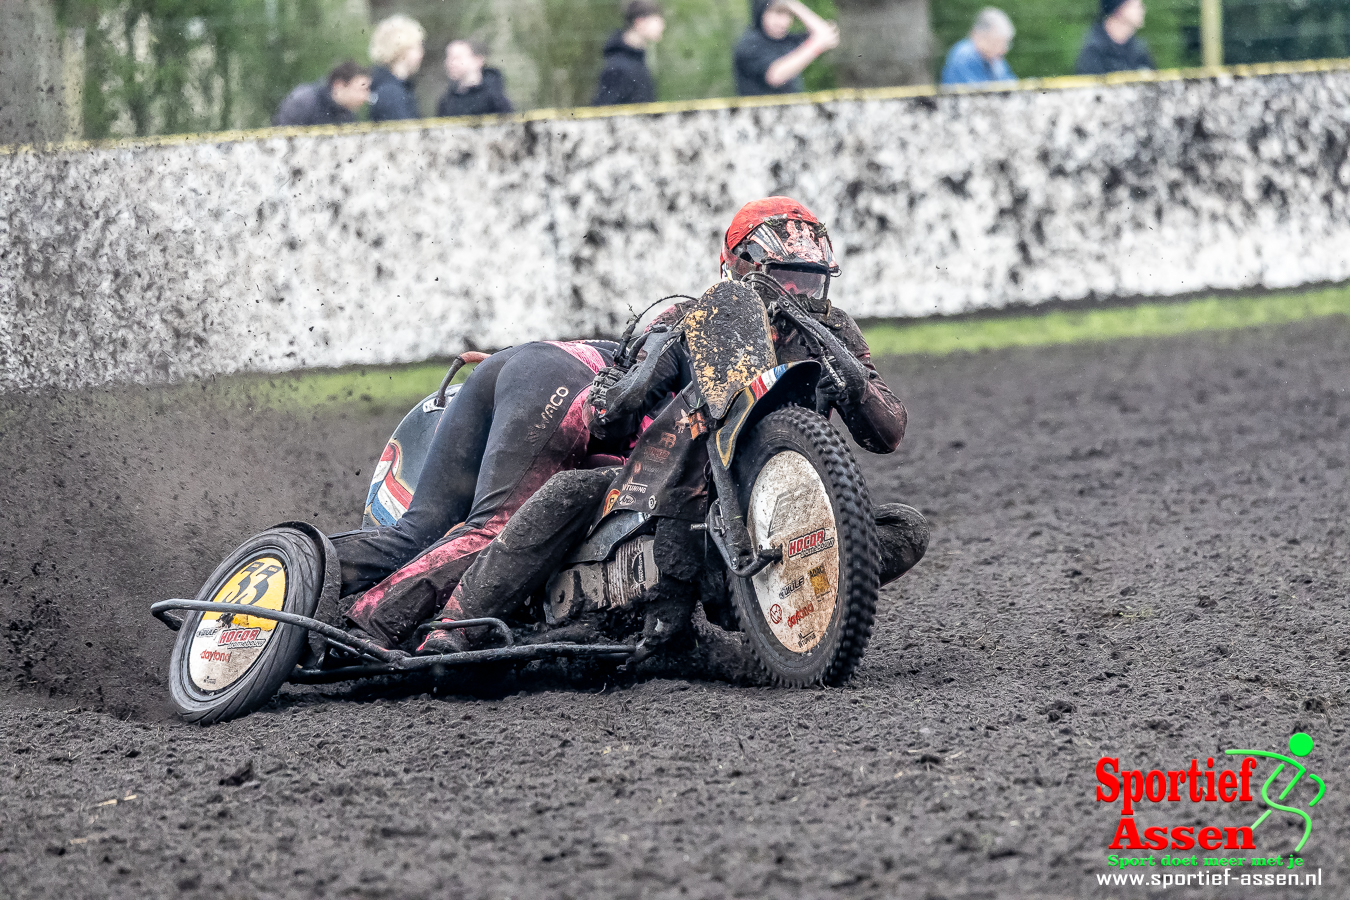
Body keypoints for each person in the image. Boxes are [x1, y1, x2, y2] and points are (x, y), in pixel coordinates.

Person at [423, 197, 929, 657]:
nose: (797, 292)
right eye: (787, 278)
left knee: (905, 528)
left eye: (810, 281)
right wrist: (652, 358)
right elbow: (608, 414)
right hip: (662, 494)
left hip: (772, 511)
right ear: (740, 267)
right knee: (570, 489)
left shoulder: (836, 327)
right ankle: (455, 626)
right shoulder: (691, 317)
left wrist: (846, 371)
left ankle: (775, 608)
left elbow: (887, 432)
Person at [330, 340, 618, 650]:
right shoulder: (674, 395)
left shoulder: (650, 344)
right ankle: (369, 625)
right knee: (497, 528)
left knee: (415, 533)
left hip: (510, 365)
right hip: (563, 385)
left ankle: (294, 567)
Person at [734, 0, 840, 96]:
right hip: (758, 115)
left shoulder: (787, 40)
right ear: (761, 13)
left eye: (788, 14)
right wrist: (815, 46)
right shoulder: (749, 43)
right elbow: (775, 76)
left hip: (792, 113)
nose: (783, 22)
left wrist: (794, 5)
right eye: (778, 13)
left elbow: (827, 35)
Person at [592, 1, 665, 106]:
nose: (662, 25)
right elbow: (603, 113)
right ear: (640, 22)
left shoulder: (637, 63)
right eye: (657, 19)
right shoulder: (618, 67)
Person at [272, 60, 371, 127]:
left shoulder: (347, 113)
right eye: (362, 89)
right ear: (339, 85)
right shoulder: (303, 104)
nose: (366, 97)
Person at [367, 15, 425, 122]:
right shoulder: (391, 93)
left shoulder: (388, 86)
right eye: (417, 47)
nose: (421, 53)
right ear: (401, 49)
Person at [435, 40, 514, 118]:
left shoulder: (495, 98)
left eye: (457, 58)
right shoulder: (446, 101)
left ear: (478, 60)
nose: (450, 63)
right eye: (449, 58)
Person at [1075, 0, 1154, 75]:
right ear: (1119, 9)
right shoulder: (1094, 51)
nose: (1143, 9)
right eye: (1136, 6)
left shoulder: (1139, 48)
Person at [941, 8, 1016, 86]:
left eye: (1005, 44)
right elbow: (978, 95)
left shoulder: (994, 58)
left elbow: (1011, 86)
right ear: (978, 36)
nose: (1004, 49)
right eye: (996, 43)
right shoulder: (964, 55)